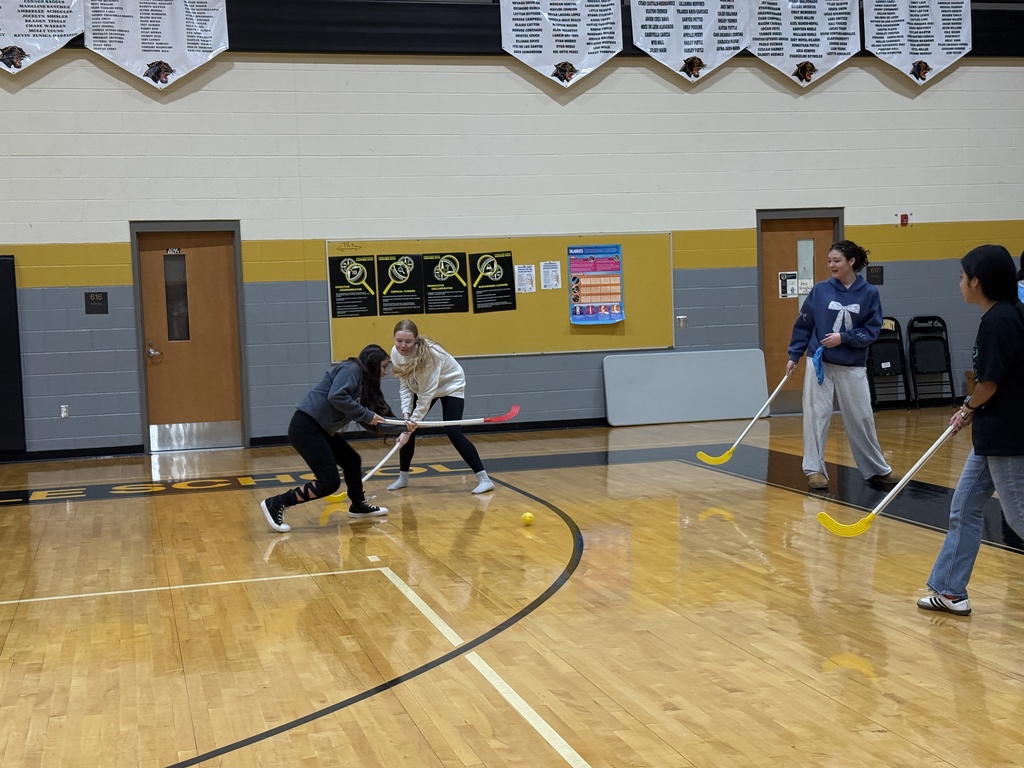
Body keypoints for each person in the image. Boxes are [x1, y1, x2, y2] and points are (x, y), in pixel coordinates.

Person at [917, 244, 1024, 616]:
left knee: (1020, 518)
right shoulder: (1006, 315)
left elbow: (990, 383)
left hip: (1008, 436)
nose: (959, 283)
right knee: (964, 506)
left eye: (963, 277)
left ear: (978, 281)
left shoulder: (1001, 321)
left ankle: (949, 588)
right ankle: (950, 590)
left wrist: (967, 408)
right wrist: (974, 412)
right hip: (992, 433)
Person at [786, 240, 899, 490]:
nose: (831, 265)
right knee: (817, 416)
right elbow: (804, 324)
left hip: (852, 364)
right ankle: (815, 470)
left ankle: (876, 470)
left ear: (851, 262)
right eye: (828, 261)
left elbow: (871, 330)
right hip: (820, 363)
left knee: (861, 417)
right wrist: (794, 355)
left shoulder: (869, 293)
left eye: (836, 261)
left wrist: (844, 338)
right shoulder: (820, 291)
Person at [260, 344, 407, 532]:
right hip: (306, 427)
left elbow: (368, 421)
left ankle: (358, 505)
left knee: (352, 460)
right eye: (384, 366)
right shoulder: (351, 369)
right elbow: (336, 396)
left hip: (320, 429)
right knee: (329, 483)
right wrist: (367, 414)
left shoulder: (362, 384)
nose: (385, 372)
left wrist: (404, 426)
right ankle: (277, 502)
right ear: (372, 364)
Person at [386, 319, 494, 494]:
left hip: (450, 385)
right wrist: (406, 416)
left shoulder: (430, 356)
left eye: (408, 341)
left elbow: (426, 395)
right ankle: (403, 478)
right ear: (394, 339)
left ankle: (484, 479)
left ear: (416, 339)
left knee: (453, 431)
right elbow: (405, 385)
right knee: (408, 425)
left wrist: (408, 429)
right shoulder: (396, 353)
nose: (403, 346)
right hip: (424, 388)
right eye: (399, 341)